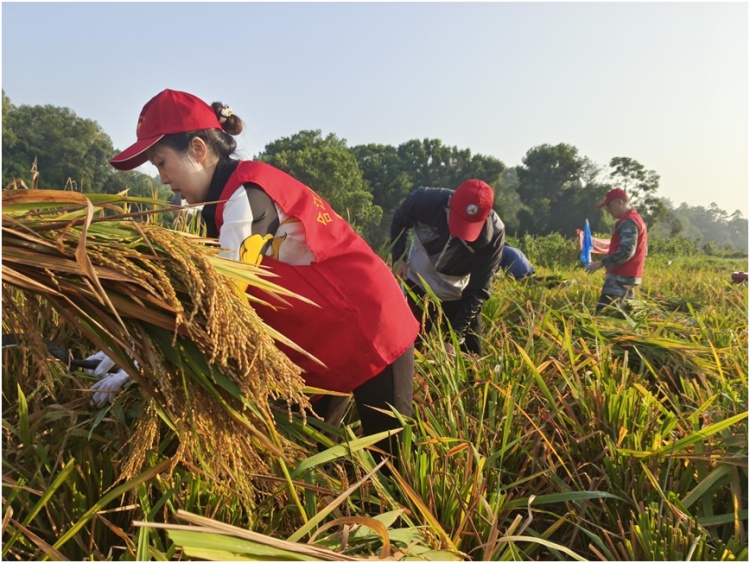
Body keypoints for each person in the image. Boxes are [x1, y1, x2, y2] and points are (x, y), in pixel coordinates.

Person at [95, 89, 420, 464]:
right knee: (310, 459)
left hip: (372, 322)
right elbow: (190, 292)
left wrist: (140, 363)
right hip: (323, 337)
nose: (162, 178)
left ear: (198, 150)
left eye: (161, 162)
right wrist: (123, 349)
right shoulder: (215, 210)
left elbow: (219, 307)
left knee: (392, 463)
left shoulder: (246, 198)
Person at [390, 181, 505, 355]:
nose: (460, 233)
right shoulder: (425, 201)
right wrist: (399, 258)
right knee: (409, 349)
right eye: (459, 221)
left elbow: (479, 288)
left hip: (457, 291)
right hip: (418, 281)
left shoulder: (494, 233)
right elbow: (399, 222)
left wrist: (455, 337)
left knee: (470, 356)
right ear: (450, 203)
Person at [585, 187, 648, 312]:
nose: (609, 211)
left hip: (620, 277)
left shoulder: (628, 221)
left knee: (604, 316)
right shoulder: (636, 219)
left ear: (620, 202)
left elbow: (627, 251)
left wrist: (601, 263)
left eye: (609, 206)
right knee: (621, 317)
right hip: (629, 276)